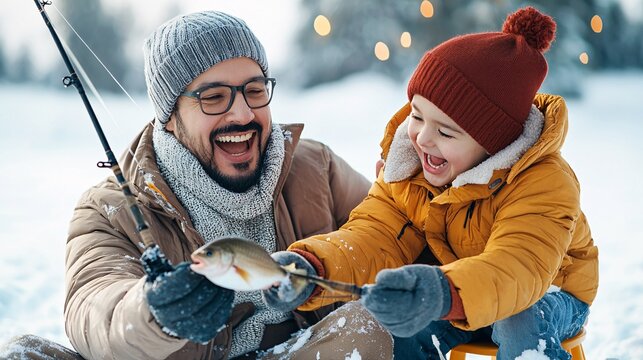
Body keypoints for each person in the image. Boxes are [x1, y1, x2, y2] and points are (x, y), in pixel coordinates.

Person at [0, 10, 393, 360]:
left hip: (297, 352)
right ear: (169, 116)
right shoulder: (108, 209)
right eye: (214, 98)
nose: (242, 113)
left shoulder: (316, 168)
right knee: (21, 354)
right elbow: (95, 309)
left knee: (365, 326)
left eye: (255, 90)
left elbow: (395, 240)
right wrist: (154, 312)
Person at [264, 7, 599, 360]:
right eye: (417, 116)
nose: (422, 138)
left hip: (547, 291)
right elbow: (372, 236)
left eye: (445, 131)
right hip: (456, 290)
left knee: (520, 317)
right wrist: (313, 267)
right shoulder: (408, 170)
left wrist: (443, 290)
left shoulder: (543, 182)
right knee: (399, 326)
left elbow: (518, 266)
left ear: (493, 143)